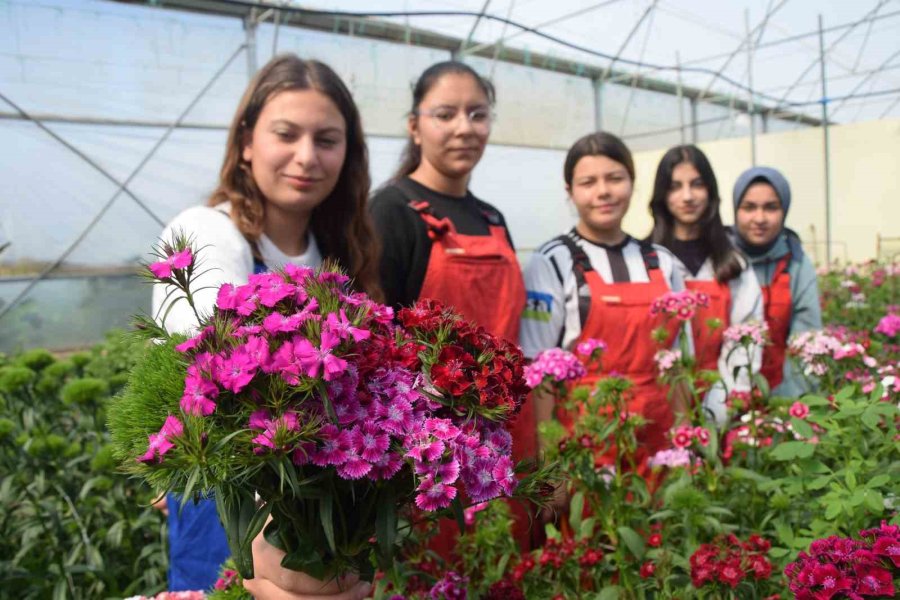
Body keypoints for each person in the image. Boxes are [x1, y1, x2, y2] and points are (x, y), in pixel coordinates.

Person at [151, 54, 379, 598]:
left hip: (317, 536)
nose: (307, 157)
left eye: (327, 140)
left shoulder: (338, 256)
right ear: (247, 141)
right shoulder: (208, 232)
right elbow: (205, 386)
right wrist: (260, 553)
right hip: (231, 520)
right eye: (286, 134)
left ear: (348, 155)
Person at [368, 61, 535, 549]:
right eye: (446, 114)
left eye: (478, 114)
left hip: (508, 435)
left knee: (507, 564)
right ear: (415, 126)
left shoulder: (493, 217)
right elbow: (377, 351)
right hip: (430, 457)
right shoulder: (392, 212)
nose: (465, 127)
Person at [520, 131, 688, 479]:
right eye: (588, 182)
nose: (603, 192)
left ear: (631, 182)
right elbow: (539, 372)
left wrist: (685, 450)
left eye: (615, 178)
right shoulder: (551, 261)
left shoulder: (664, 262)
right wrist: (551, 469)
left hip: (657, 438)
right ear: (570, 192)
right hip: (584, 442)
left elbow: (678, 364)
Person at [647, 145, 763, 423]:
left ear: (710, 191)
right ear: (662, 195)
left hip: (720, 397)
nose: (687, 197)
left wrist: (727, 400)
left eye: (697, 184)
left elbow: (745, 339)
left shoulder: (733, 265)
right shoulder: (646, 261)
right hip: (657, 403)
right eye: (675, 186)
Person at [731, 166, 822, 397]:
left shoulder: (796, 264)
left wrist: (786, 409)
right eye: (749, 207)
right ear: (735, 210)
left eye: (771, 207)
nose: (759, 218)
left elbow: (806, 341)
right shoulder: (721, 259)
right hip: (723, 398)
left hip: (783, 394)